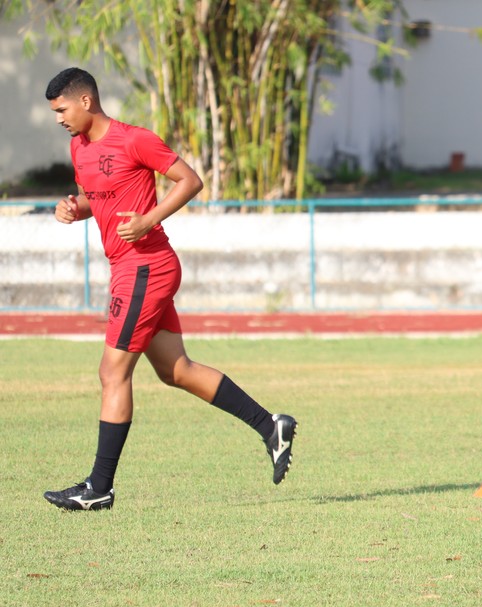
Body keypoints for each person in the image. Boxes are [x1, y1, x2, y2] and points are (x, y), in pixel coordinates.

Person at [42, 68, 297, 511]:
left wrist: (149, 219)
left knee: (112, 372)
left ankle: (99, 487)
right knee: (174, 369)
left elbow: (190, 180)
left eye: (62, 109)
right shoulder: (77, 147)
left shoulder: (134, 139)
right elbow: (96, 198)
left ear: (85, 101)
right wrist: (72, 207)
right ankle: (270, 426)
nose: (59, 119)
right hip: (128, 267)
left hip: (145, 267)